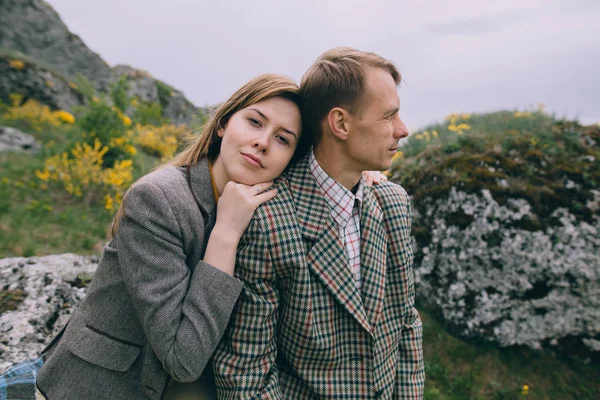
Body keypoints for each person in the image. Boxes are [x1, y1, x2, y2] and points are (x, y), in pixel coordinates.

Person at [35, 74, 310, 400]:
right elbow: (183, 358)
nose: (263, 142)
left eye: (283, 140)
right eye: (254, 121)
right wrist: (226, 233)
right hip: (97, 387)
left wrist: (364, 178)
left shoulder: (270, 209)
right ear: (223, 123)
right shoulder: (158, 199)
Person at [213, 47, 425, 399]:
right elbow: (246, 373)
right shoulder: (268, 220)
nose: (402, 130)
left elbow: (405, 325)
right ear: (340, 123)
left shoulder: (393, 203)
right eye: (388, 116)